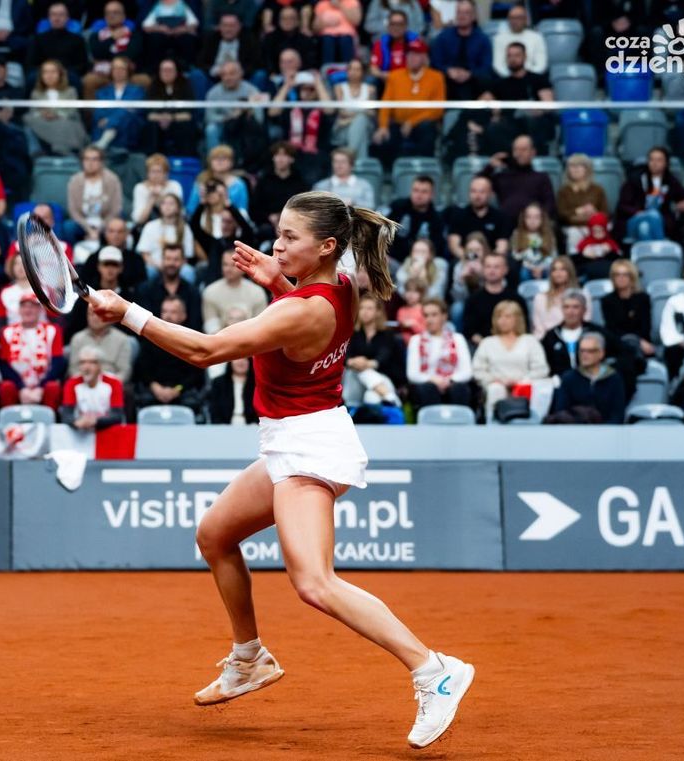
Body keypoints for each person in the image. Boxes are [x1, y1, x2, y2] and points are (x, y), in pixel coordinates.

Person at [91, 190, 473, 747]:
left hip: (308, 447)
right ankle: (249, 657)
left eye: (291, 238)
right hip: (297, 436)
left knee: (314, 583)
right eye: (278, 233)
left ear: (327, 246)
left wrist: (128, 312)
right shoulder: (340, 286)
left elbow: (204, 351)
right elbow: (302, 320)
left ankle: (433, 669)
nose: (277, 245)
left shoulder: (300, 309)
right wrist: (277, 281)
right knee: (215, 535)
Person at [129, 294, 208, 417]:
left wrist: (177, 390)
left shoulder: (192, 340)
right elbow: (141, 369)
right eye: (165, 311)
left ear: (183, 316)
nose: (168, 316)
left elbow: (196, 373)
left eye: (173, 312)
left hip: (182, 390)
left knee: (192, 400)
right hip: (153, 389)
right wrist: (155, 387)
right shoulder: (150, 338)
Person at [371, 39, 445, 168]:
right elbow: (386, 104)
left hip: (422, 124)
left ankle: (425, 170)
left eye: (416, 54)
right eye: (409, 54)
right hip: (398, 123)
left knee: (427, 129)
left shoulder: (436, 77)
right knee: (386, 137)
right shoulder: (395, 76)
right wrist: (383, 126)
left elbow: (438, 109)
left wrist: (412, 122)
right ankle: (392, 173)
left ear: (424, 57)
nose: (411, 58)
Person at [471, 300, 550, 420]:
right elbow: (478, 370)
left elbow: (541, 369)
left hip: (524, 385)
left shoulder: (530, 341)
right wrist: (495, 380)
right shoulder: (488, 342)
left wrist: (520, 381)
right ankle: (492, 423)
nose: (502, 320)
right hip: (495, 385)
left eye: (507, 316)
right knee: (496, 389)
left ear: (517, 319)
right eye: (499, 317)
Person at [0, 292, 65, 410]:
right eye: (24, 306)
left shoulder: (52, 330)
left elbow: (58, 363)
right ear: (19, 310)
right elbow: (4, 365)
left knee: (53, 387)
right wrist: (21, 388)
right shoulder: (7, 332)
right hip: (18, 383)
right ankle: (9, 419)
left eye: (32, 306)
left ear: (40, 309)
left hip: (43, 382)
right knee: (6, 387)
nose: (28, 310)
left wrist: (40, 387)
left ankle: (51, 418)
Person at [613, 146, 684, 243]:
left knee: (644, 228)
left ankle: (648, 252)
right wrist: (639, 212)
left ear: (666, 163)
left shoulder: (670, 181)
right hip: (634, 220)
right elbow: (622, 206)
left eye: (659, 160)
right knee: (653, 214)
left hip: (656, 223)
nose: (654, 163)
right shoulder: (635, 179)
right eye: (651, 160)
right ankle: (662, 247)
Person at [407, 297, 474, 409]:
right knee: (428, 388)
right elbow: (412, 374)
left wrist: (449, 380)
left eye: (434, 315)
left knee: (459, 389)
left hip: (452, 383)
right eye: (426, 315)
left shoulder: (457, 338)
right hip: (427, 384)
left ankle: (460, 419)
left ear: (444, 316)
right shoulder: (416, 340)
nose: (429, 319)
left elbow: (467, 372)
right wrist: (433, 380)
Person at [549, 332, 627, 424]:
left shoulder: (614, 378)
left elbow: (617, 415)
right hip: (575, 430)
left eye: (590, 351)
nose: (584, 354)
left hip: (607, 430)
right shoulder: (569, 378)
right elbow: (561, 412)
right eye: (582, 351)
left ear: (601, 353)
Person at [344, 293, 405, 408]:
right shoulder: (353, 333)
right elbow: (344, 355)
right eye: (362, 308)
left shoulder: (387, 334)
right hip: (355, 381)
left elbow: (384, 357)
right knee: (357, 370)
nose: (364, 312)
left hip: (383, 377)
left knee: (371, 397)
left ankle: (386, 396)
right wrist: (352, 362)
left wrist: (366, 364)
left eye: (369, 308)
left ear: (378, 312)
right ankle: (390, 397)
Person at [428, 1, 492, 101]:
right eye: (459, 12)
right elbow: (435, 63)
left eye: (466, 13)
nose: (462, 16)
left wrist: (470, 73)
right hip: (447, 83)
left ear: (474, 16)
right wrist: (448, 71)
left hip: (474, 84)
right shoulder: (443, 38)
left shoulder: (483, 39)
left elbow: (486, 66)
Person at [480, 135, 555, 219]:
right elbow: (478, 185)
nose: (519, 153)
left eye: (523, 149)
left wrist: (538, 219)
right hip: (505, 223)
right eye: (516, 150)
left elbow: (550, 205)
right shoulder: (502, 177)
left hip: (532, 223)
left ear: (533, 152)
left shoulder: (541, 178)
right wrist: (490, 167)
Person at [462, 252, 527, 347]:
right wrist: (488, 346)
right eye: (488, 266)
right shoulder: (473, 300)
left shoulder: (516, 299)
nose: (492, 270)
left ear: (505, 270)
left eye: (496, 267)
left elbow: (523, 328)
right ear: (483, 269)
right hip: (481, 347)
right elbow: (469, 332)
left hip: (513, 347)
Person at [24, 59, 87, 156]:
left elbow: (72, 111)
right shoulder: (36, 93)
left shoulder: (71, 91)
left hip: (64, 122)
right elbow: (33, 112)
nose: (49, 75)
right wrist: (42, 114)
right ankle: (36, 152)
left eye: (53, 72)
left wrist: (56, 115)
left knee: (66, 124)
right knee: (27, 119)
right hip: (43, 123)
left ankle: (62, 149)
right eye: (46, 72)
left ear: (60, 74)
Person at [59, 346, 126, 430]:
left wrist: (96, 421)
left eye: (92, 362)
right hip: (80, 431)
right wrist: (75, 422)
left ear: (100, 365)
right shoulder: (71, 384)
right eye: (82, 363)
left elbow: (117, 416)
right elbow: (66, 415)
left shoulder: (114, 383)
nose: (86, 367)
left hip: (108, 430)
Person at [66, 146, 123, 243]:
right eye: (87, 159)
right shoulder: (75, 181)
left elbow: (115, 209)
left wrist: (99, 230)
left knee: (116, 225)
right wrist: (89, 230)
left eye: (94, 159)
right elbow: (73, 211)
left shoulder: (112, 180)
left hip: (105, 221)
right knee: (68, 227)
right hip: (82, 223)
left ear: (101, 162)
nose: (90, 163)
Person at [556, 154, 609, 256]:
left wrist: (594, 213)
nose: (575, 169)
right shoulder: (563, 191)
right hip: (572, 227)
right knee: (574, 233)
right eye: (572, 166)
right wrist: (578, 211)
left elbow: (605, 213)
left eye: (579, 166)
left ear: (587, 169)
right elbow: (561, 214)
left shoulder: (598, 190)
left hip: (595, 226)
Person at [602, 259, 654, 359]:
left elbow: (645, 327)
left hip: (642, 344)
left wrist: (639, 341)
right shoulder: (607, 300)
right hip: (618, 344)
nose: (621, 278)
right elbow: (612, 329)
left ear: (632, 277)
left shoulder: (643, 299)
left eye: (625, 275)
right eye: (617, 275)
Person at [65, 307, 133, 382]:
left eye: (99, 314)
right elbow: (73, 369)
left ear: (109, 316)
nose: (94, 318)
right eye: (91, 314)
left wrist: (111, 384)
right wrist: (86, 383)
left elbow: (124, 371)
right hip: (84, 383)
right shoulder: (77, 338)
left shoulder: (122, 339)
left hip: (112, 384)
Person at [388, 175, 446, 262]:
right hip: (393, 259)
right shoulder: (397, 207)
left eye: (424, 192)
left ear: (432, 195)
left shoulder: (436, 219)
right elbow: (382, 233)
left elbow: (436, 248)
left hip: (422, 261)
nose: (419, 195)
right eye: (415, 190)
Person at [532, 257, 584, 339]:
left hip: (577, 338)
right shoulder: (540, 298)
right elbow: (539, 329)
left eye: (562, 269)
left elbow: (585, 322)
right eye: (554, 270)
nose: (558, 273)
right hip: (548, 340)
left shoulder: (582, 295)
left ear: (570, 272)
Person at [491, 4, 546, 77]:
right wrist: (513, 76)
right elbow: (498, 65)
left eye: (518, 18)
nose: (515, 21)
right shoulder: (499, 38)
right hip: (506, 78)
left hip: (532, 78)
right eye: (512, 18)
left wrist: (525, 76)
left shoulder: (537, 37)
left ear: (525, 19)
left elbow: (541, 65)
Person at [132, 154, 184, 226]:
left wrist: (160, 197)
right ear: (147, 173)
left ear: (166, 173)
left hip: (172, 224)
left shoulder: (174, 186)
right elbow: (139, 220)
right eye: (153, 171)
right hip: (146, 226)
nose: (156, 175)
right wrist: (152, 199)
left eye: (159, 171)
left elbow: (179, 213)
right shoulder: (140, 188)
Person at [510, 202, 556, 281]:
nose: (532, 221)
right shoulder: (517, 234)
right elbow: (515, 256)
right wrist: (531, 267)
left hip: (545, 267)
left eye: (536, 217)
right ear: (523, 219)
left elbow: (553, 256)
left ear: (542, 219)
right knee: (523, 273)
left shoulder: (548, 234)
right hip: (526, 267)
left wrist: (542, 268)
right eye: (529, 217)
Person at [207, 356, 257, 424]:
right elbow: (214, 409)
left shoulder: (256, 384)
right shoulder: (219, 383)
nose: (241, 362)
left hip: (252, 425)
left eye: (245, 359)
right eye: (237, 359)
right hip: (224, 425)